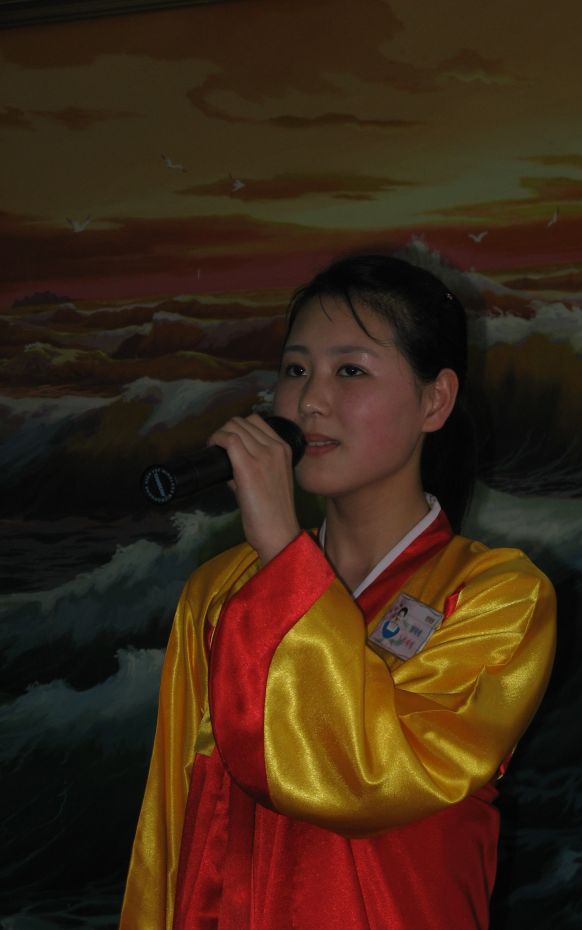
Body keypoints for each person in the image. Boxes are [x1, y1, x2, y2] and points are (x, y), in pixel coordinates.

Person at [119, 254, 557, 930]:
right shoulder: (219, 590)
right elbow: (171, 826)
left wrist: (283, 553)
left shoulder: (497, 596)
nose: (310, 401)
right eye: (296, 371)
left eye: (350, 371)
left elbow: (368, 778)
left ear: (435, 401)